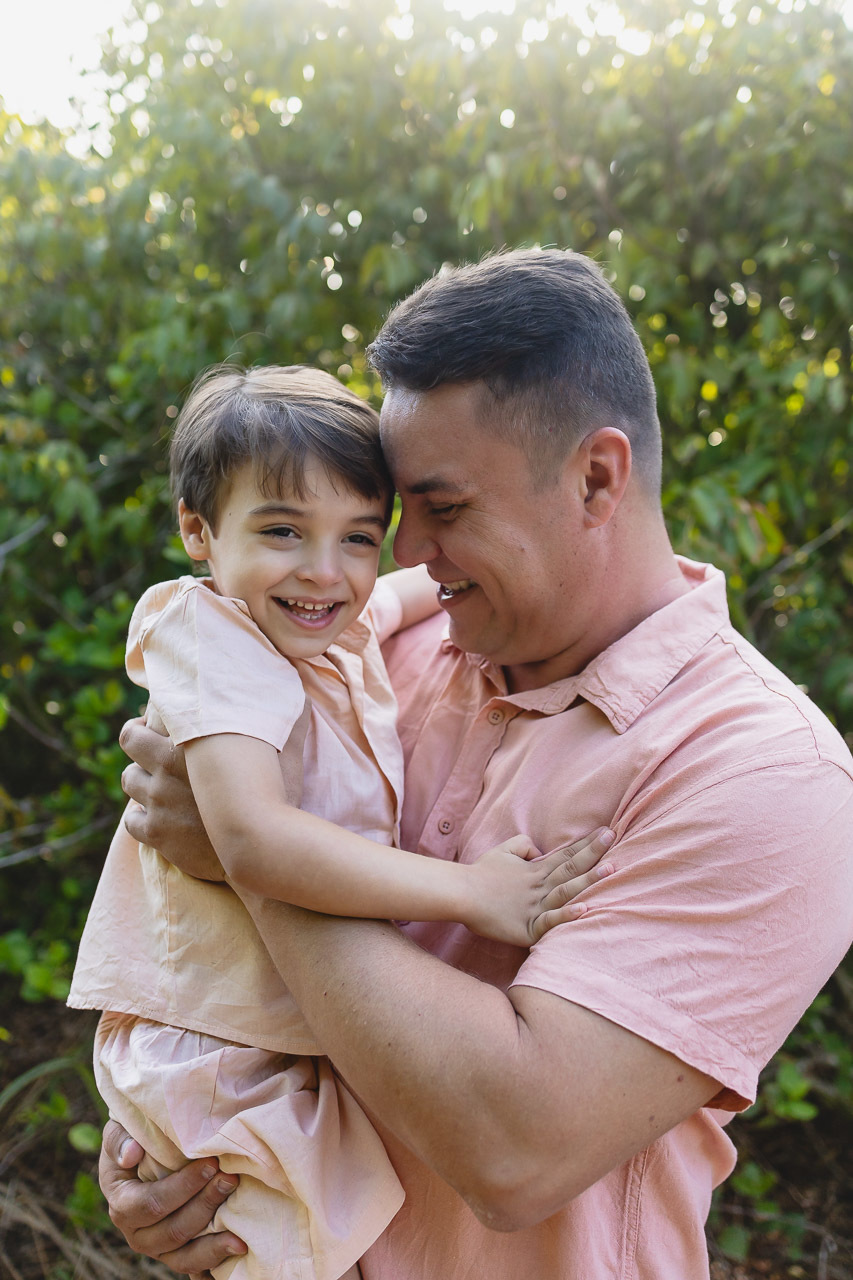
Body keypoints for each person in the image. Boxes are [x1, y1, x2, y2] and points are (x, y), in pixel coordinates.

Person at [100, 250, 853, 1280]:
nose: (405, 550)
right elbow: (204, 945)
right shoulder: (364, 655)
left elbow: (516, 1148)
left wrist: (245, 856)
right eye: (397, 512)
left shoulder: (763, 771)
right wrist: (166, 1140)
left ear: (595, 476)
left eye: (443, 509)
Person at [68, 362, 612, 1280]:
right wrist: (473, 894)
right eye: (281, 530)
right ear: (198, 532)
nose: (324, 570)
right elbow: (250, 839)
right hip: (224, 1044)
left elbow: (399, 595)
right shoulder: (216, 639)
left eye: (358, 537)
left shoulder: (336, 621)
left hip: (276, 1037)